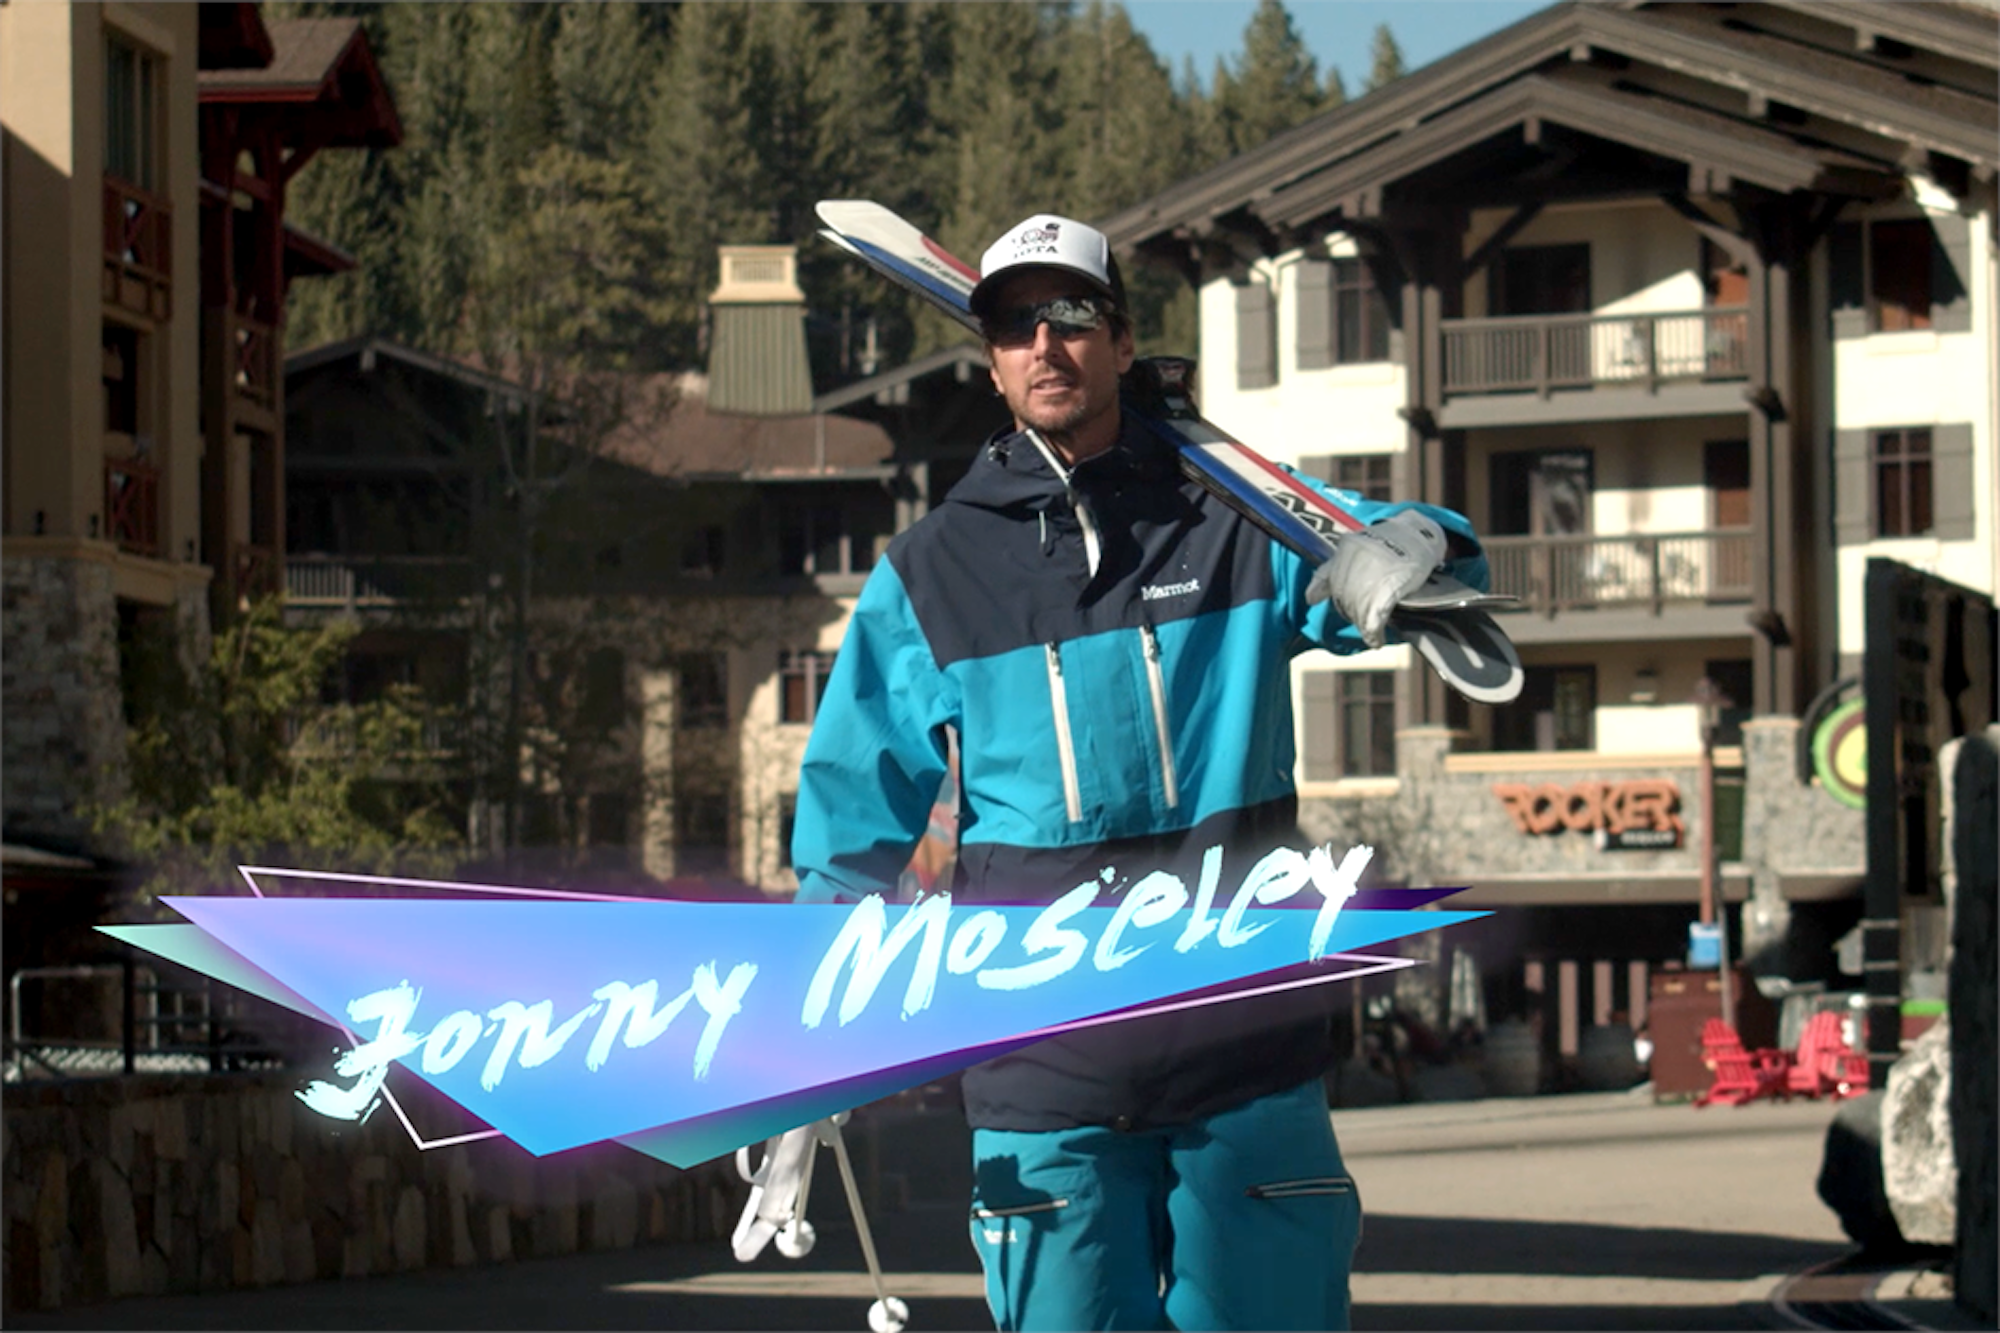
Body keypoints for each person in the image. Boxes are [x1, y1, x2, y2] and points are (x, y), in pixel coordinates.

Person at [792, 213, 1490, 1331]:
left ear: (1120, 340)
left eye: (1071, 314)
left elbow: (1391, 546)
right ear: (991, 361)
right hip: (1042, 1070)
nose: (1044, 343)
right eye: (1014, 324)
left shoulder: (1237, 519)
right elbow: (848, 816)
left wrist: (1409, 552)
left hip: (1242, 1058)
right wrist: (805, 1029)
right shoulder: (932, 571)